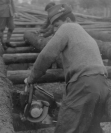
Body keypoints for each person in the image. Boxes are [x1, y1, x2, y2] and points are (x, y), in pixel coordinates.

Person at [24, 4, 110, 133]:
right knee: (92, 128)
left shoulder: (67, 28)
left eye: (57, 25)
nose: (55, 30)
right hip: (102, 85)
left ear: (68, 20)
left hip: (84, 86)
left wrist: (31, 78)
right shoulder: (83, 33)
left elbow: (47, 55)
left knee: (65, 128)